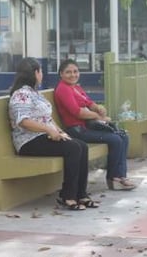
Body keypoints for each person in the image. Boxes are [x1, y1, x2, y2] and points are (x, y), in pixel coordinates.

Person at [8, 57, 99, 210]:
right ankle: (68, 196)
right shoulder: (21, 94)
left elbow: (47, 118)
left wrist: (60, 132)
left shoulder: (35, 93)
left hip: (44, 136)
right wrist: (48, 130)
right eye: (41, 71)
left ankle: (81, 194)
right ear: (36, 73)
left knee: (81, 145)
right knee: (73, 148)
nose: (42, 74)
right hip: (29, 141)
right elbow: (23, 121)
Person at [54, 59, 136, 191]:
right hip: (77, 130)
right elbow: (77, 112)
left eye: (75, 71)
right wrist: (99, 116)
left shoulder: (76, 88)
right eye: (68, 72)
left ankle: (121, 176)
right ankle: (114, 178)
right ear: (61, 74)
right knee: (115, 139)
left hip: (87, 126)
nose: (73, 75)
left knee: (123, 135)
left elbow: (88, 103)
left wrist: (98, 108)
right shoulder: (63, 89)